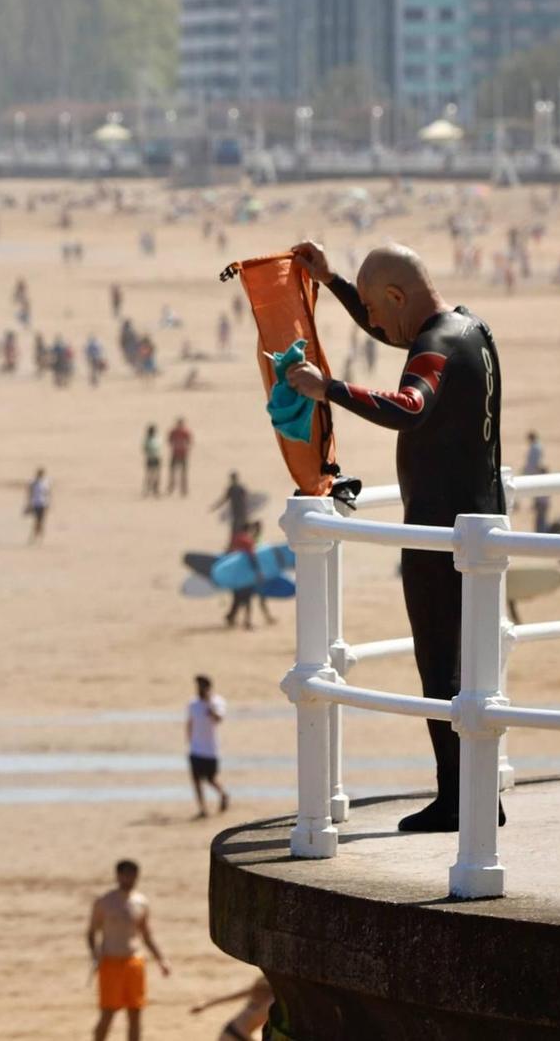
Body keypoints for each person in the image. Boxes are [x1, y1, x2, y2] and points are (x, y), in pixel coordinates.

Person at [285, 240, 504, 833]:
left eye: (380, 311)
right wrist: (330, 280)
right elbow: (399, 343)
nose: (376, 326)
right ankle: (478, 791)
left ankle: (459, 799)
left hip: (443, 534)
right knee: (469, 668)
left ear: (400, 296)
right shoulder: (468, 331)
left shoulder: (437, 345)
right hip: (480, 525)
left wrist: (326, 388)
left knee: (442, 670)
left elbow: (410, 406)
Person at [87, 860, 170, 1041]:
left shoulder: (141, 902)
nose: (130, 879)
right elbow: (92, 932)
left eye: (133, 875)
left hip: (134, 962)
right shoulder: (104, 902)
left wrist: (161, 960)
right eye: (126, 874)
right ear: (117, 875)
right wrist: (95, 956)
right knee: (108, 1012)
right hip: (111, 962)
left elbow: (146, 935)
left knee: (135, 1012)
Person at [186, 675, 229, 818]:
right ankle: (203, 809)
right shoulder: (193, 704)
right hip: (195, 749)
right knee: (196, 780)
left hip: (211, 750)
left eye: (202, 686)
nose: (199, 689)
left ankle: (223, 794)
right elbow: (190, 722)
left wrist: (210, 705)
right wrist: (189, 739)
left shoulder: (217, 702)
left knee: (211, 779)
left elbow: (219, 718)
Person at [190, 977, 275, 1041]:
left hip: (232, 1031)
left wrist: (205, 1005)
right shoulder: (270, 1002)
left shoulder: (263, 995)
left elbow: (232, 997)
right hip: (237, 1034)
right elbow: (254, 1020)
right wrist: (205, 1005)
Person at [166, 419, 194, 497]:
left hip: (183, 454)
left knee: (183, 472)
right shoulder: (173, 432)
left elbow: (189, 441)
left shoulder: (185, 432)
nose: (180, 426)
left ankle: (183, 489)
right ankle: (171, 487)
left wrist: (185, 447)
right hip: (175, 453)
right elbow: (169, 440)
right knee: (173, 472)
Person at [26, 467, 52, 542]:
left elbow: (48, 493)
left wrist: (49, 503)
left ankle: (39, 537)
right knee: (37, 521)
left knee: (41, 521)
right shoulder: (33, 483)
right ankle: (35, 537)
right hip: (35, 503)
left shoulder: (46, 483)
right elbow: (30, 493)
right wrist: (29, 504)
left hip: (43, 503)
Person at [141, 424, 162, 497]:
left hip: (155, 457)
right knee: (149, 475)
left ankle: (155, 490)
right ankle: (148, 489)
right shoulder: (148, 439)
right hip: (151, 458)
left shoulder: (156, 438)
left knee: (156, 475)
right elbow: (144, 448)